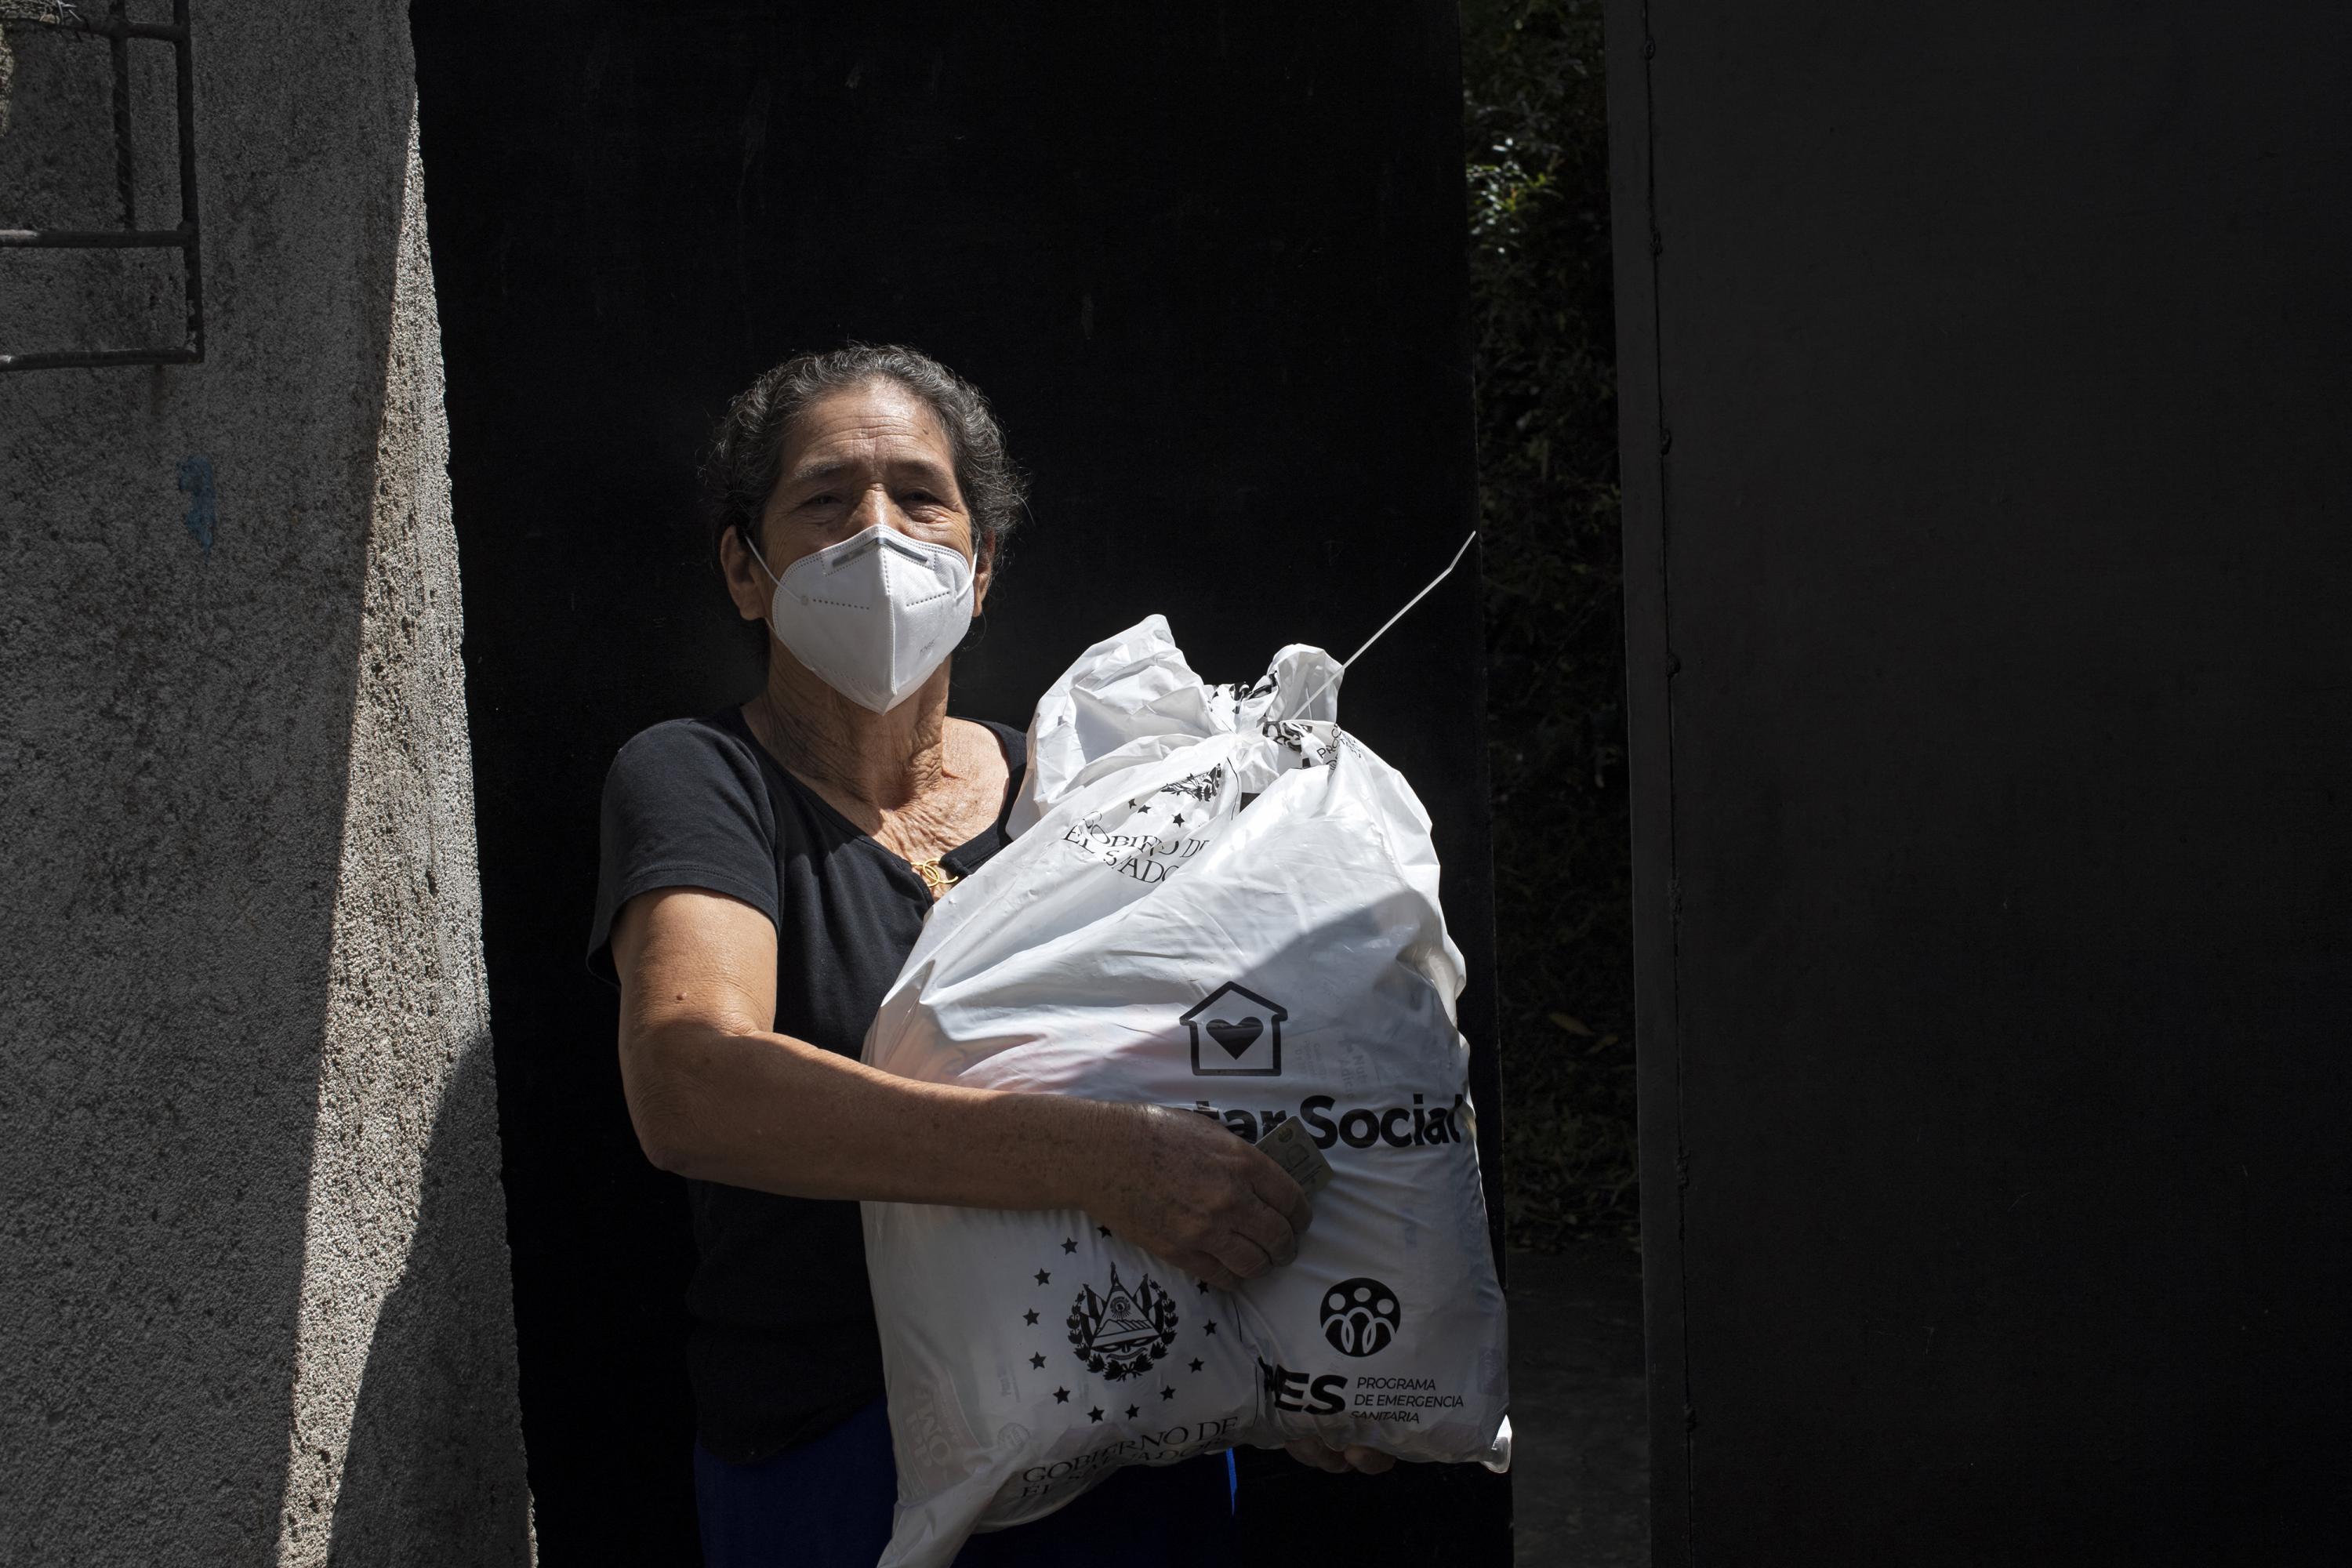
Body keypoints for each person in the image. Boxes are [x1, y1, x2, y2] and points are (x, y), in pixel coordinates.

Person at [589, 344, 1391, 1568]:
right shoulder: (703, 780)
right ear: (745, 574)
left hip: (1132, 1428)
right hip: (839, 1453)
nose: (877, 531)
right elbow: (694, 1083)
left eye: (920, 496)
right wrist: (1098, 1162)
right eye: (823, 499)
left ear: (980, 567)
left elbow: (1234, 1077)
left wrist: (1314, 1348)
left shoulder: (1089, 803)